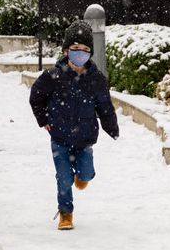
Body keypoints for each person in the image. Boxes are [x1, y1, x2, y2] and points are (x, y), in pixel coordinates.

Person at [29, 20, 119, 230]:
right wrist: (43, 120)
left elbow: (105, 106)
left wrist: (111, 128)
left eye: (85, 50)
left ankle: (83, 176)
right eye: (75, 49)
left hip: (85, 138)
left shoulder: (95, 78)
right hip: (59, 137)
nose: (80, 53)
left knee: (86, 173)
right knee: (63, 178)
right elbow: (36, 97)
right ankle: (66, 213)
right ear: (66, 50)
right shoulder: (53, 76)